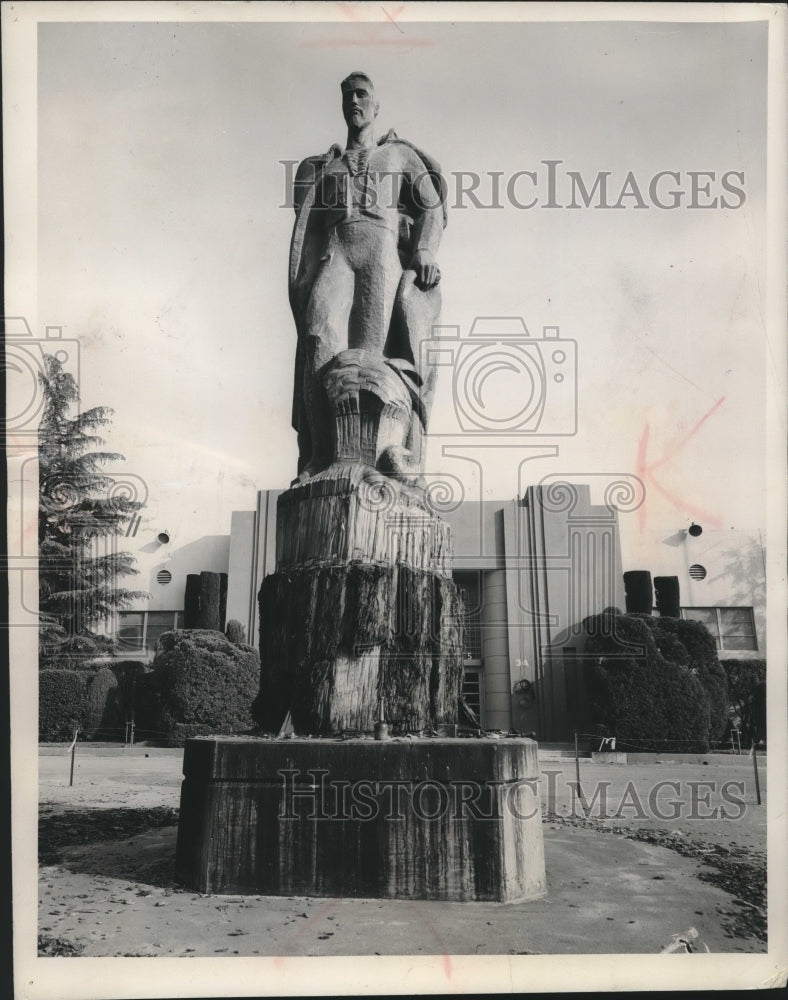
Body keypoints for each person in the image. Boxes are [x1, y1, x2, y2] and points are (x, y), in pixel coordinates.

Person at [288, 72, 447, 480]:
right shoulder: (328, 166)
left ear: (376, 106)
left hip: (380, 253)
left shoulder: (399, 156)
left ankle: (373, 457)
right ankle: (320, 457)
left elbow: (431, 207)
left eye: (362, 95)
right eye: (347, 96)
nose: (354, 102)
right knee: (318, 340)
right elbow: (305, 223)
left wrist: (425, 249)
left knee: (370, 359)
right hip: (337, 251)